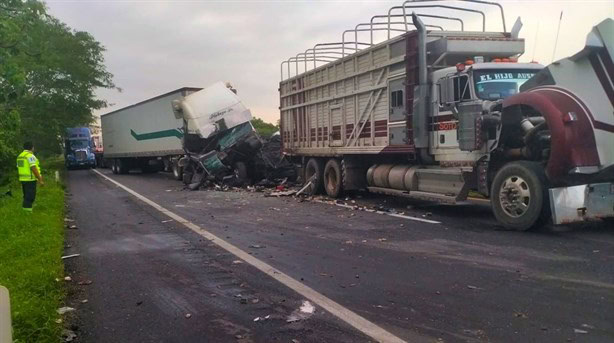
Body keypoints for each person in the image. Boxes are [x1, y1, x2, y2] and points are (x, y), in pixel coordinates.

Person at [16, 142, 44, 212]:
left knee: (26, 196)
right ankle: (27, 213)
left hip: (23, 179)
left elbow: (20, 168)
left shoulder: (20, 156)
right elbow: (33, 168)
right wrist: (40, 179)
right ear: (32, 147)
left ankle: (25, 211)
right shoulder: (30, 156)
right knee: (30, 197)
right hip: (30, 179)